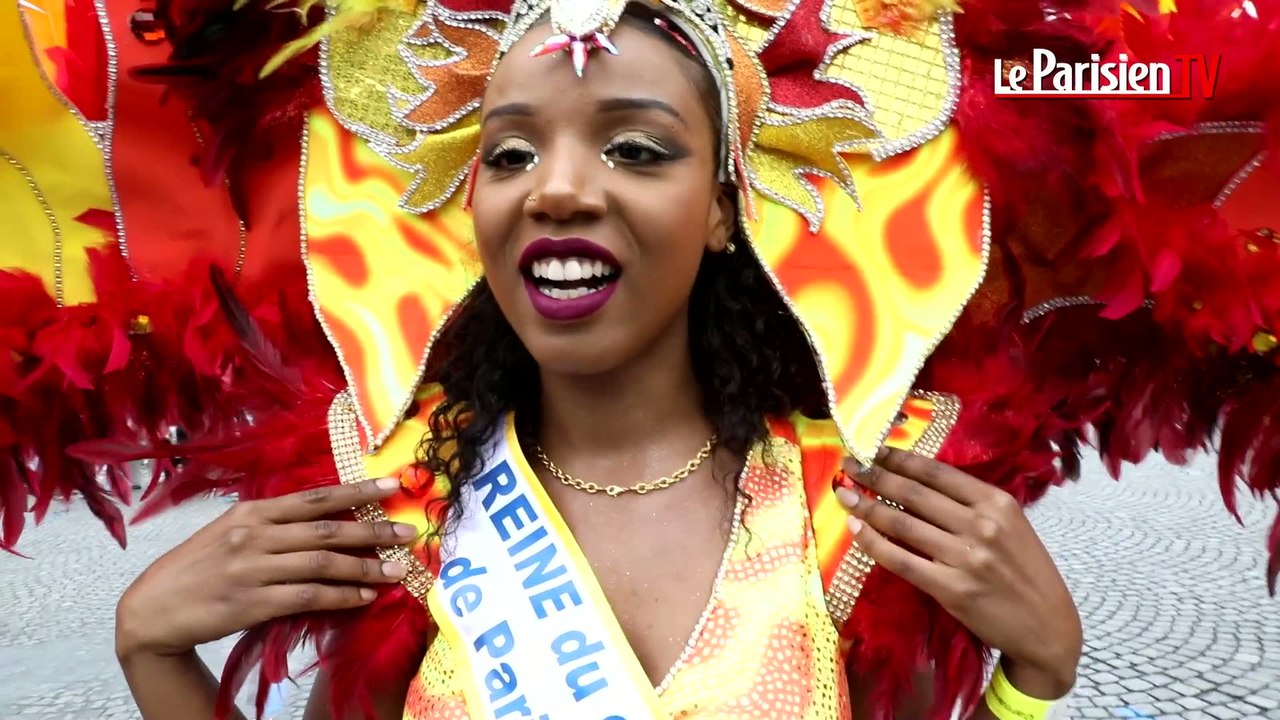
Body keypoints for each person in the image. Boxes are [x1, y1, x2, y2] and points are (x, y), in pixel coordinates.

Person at [2, 0, 1278, 719]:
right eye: (507, 152)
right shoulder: (384, 506)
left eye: (636, 149)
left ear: (725, 206)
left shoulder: (855, 509)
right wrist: (152, 651)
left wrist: (1032, 679)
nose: (555, 190)